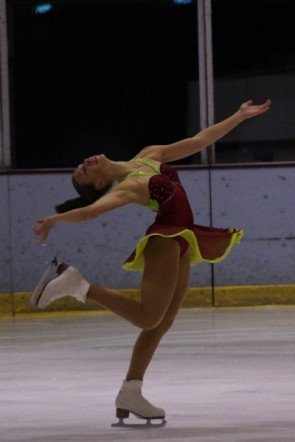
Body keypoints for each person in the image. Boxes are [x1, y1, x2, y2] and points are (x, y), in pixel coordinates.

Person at [32, 99, 271, 423]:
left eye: (83, 163)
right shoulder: (127, 188)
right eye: (85, 171)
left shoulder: (147, 155)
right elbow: (91, 211)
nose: (85, 162)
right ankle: (80, 286)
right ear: (100, 183)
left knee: (162, 322)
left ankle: (131, 390)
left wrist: (239, 116)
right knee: (147, 318)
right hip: (165, 240)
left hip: (184, 237)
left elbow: (199, 141)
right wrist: (53, 220)